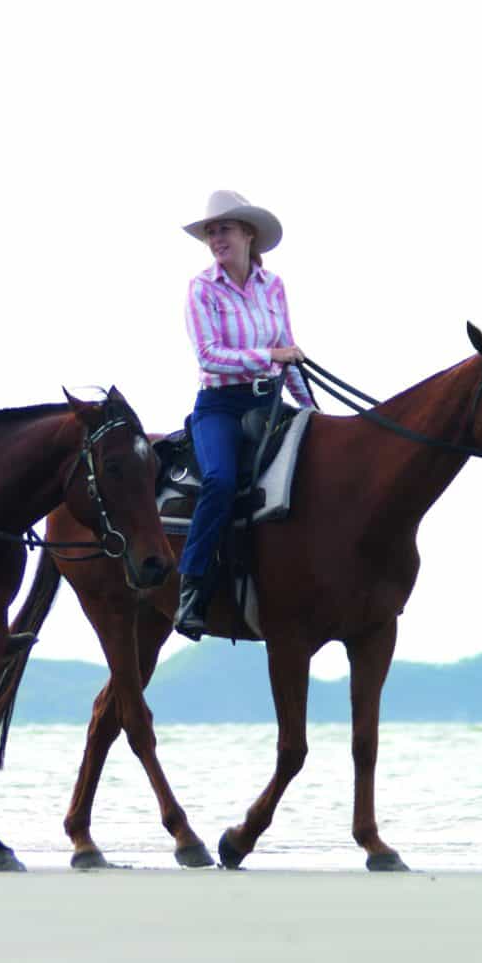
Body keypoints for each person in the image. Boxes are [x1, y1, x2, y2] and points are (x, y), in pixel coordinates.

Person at [175, 190, 317, 641]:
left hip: (269, 402)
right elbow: (209, 356)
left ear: (248, 234)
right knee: (219, 479)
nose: (217, 238)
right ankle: (192, 588)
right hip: (221, 405)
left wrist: (313, 410)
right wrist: (270, 355)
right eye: (211, 232)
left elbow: (289, 352)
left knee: (318, 467)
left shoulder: (273, 287)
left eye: (225, 229)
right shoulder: (201, 289)